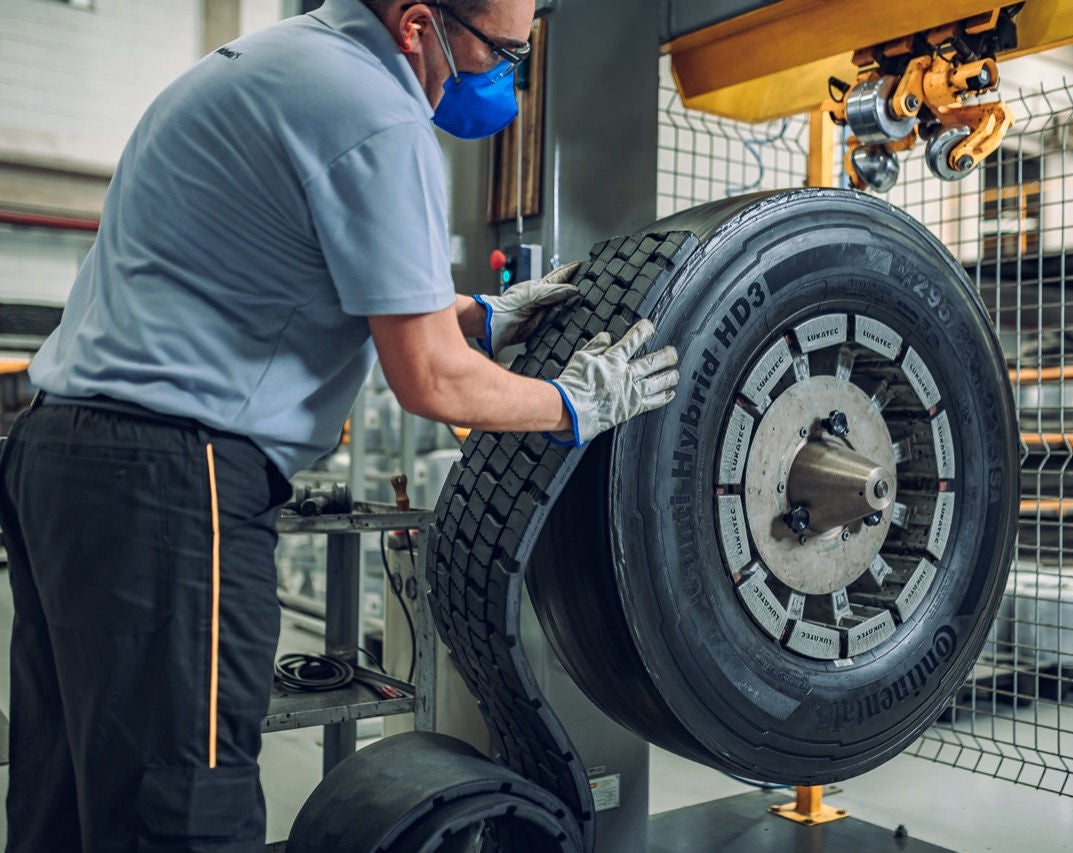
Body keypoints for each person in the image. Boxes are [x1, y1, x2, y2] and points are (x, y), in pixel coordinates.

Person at [0, 0, 679, 849]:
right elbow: (429, 378)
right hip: (173, 478)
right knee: (181, 811)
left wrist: (480, 313)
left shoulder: (283, 62)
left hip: (61, 453)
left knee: (64, 798)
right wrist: (579, 401)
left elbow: (292, 269)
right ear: (417, 23)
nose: (505, 76)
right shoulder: (379, 115)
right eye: (502, 52)